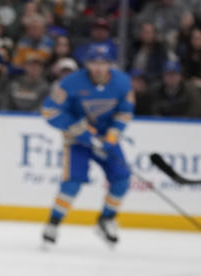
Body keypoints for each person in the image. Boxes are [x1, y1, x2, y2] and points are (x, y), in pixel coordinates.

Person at [40, 42, 134, 247]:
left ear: (110, 64)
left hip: (107, 141)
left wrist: (112, 135)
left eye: (104, 63)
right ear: (87, 64)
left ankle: (106, 219)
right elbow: (49, 111)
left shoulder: (123, 83)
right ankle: (53, 223)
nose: (99, 67)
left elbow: (125, 112)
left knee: (122, 179)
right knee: (72, 181)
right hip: (77, 141)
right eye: (94, 62)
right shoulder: (70, 83)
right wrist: (79, 130)